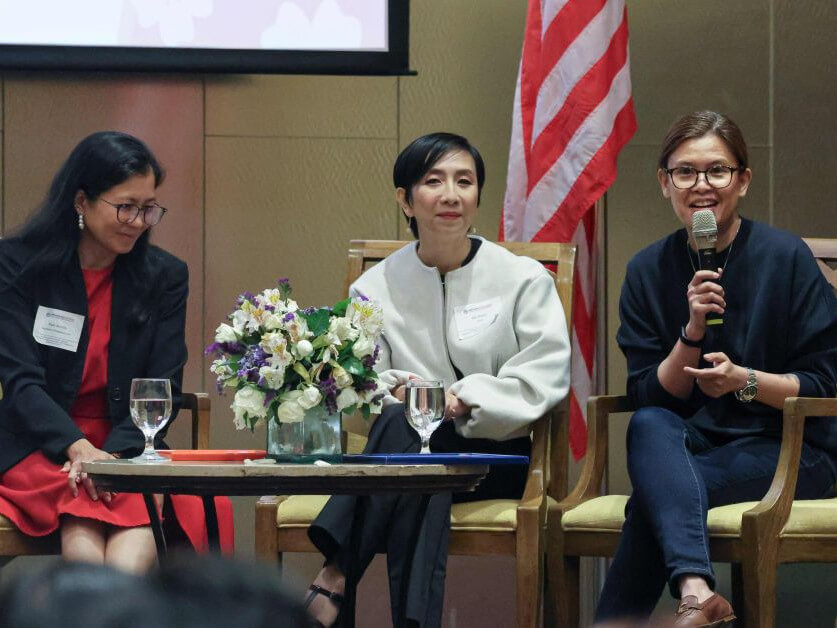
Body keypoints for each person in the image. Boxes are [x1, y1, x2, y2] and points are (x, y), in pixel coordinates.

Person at [303, 132, 571, 627]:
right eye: (434, 181)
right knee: (418, 462)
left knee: (409, 442)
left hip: (494, 456)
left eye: (464, 181)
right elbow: (359, 382)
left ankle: (335, 574)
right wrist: (414, 396)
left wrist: (462, 399)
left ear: (476, 196)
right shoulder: (375, 285)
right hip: (407, 458)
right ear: (405, 199)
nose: (451, 194)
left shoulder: (523, 279)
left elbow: (543, 377)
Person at [595, 111, 837, 626]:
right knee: (649, 425)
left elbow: (826, 384)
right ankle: (698, 589)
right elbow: (648, 399)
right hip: (693, 442)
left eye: (717, 171)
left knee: (655, 501)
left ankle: (683, 596)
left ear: (743, 181)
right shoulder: (645, 270)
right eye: (685, 172)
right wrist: (692, 332)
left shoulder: (787, 258)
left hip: (791, 449)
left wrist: (744, 382)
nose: (701, 186)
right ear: (665, 183)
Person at [0, 131, 233, 573]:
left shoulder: (164, 276)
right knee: (89, 494)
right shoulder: (17, 265)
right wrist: (78, 449)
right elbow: (20, 382)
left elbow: (162, 385)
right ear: (81, 201)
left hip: (129, 441)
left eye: (148, 208)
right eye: (125, 206)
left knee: (116, 491)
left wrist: (112, 459)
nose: (138, 221)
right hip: (38, 442)